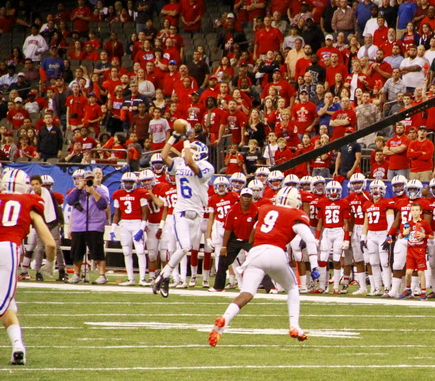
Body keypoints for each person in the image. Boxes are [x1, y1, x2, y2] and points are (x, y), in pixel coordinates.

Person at [209, 186, 319, 346]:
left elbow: (252, 237)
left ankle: (224, 320)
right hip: (276, 252)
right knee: (292, 288)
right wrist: (314, 266)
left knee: (246, 292)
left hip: (255, 253)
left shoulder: (265, 209)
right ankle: (294, 325)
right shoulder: (296, 214)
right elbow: (310, 240)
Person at [151, 121, 215, 297]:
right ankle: (165, 276)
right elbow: (163, 155)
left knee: (185, 248)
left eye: (194, 149)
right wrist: (174, 137)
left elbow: (189, 161)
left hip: (198, 213)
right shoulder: (180, 163)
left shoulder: (207, 167)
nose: (190, 151)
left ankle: (163, 276)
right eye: (190, 149)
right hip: (181, 211)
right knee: (185, 246)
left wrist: (186, 140)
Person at [0, 168, 55, 364]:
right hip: (8, 249)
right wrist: (50, 263)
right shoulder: (29, 202)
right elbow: (50, 243)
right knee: (4, 301)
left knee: (8, 304)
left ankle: (18, 346)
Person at [65, 169, 109, 284]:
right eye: (86, 180)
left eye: (91, 179)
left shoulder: (100, 190)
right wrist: (79, 188)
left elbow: (104, 204)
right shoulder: (77, 191)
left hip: (95, 225)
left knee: (97, 252)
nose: (88, 182)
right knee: (77, 252)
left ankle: (102, 275)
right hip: (79, 225)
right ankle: (76, 274)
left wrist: (93, 192)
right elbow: (69, 201)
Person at [110, 171, 150, 286]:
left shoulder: (141, 193)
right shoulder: (118, 194)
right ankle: (130, 279)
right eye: (126, 182)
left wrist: (142, 228)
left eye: (130, 182)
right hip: (125, 224)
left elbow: (145, 212)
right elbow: (117, 213)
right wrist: (113, 230)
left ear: (135, 183)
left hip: (137, 223)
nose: (128, 184)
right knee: (126, 251)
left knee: (140, 251)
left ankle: (142, 279)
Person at [399, 202, 433, 300]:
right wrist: (404, 233)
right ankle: (408, 289)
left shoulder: (425, 223)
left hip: (420, 249)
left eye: (417, 210)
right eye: (413, 210)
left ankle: (423, 292)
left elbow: (432, 236)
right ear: (410, 212)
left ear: (420, 212)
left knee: (420, 272)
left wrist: (424, 235)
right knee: (408, 272)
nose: (415, 212)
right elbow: (401, 236)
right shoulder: (408, 224)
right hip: (410, 249)